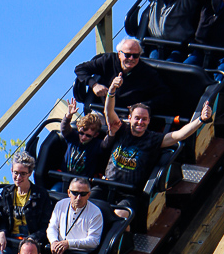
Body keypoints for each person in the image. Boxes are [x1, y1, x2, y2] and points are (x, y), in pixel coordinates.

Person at [99, 81, 214, 218]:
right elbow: (109, 111)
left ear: (148, 121)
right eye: (137, 118)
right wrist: (111, 91)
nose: (140, 122)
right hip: (105, 185)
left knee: (120, 216)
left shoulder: (153, 139)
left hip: (129, 192)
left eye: (144, 119)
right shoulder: (121, 129)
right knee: (90, 207)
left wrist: (201, 119)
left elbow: (179, 135)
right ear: (130, 118)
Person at [73, 37, 171, 114]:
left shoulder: (147, 72)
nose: (131, 58)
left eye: (135, 56)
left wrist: (143, 105)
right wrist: (94, 84)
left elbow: (164, 95)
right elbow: (80, 69)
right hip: (101, 111)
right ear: (119, 54)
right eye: (128, 55)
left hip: (128, 117)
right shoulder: (108, 60)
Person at [0, 152, 52, 254]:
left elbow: (46, 225)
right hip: (11, 242)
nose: (18, 177)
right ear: (11, 171)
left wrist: (33, 238)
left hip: (32, 245)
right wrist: (1, 232)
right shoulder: (7, 193)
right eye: (16, 172)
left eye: (23, 174)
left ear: (29, 173)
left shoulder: (40, 195)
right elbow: (2, 218)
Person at [51, 100, 105, 190]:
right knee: (55, 191)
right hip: (65, 179)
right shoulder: (73, 137)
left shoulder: (96, 144)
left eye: (88, 135)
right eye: (81, 133)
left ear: (95, 135)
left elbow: (106, 144)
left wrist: (111, 132)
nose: (83, 137)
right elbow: (64, 129)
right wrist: (68, 116)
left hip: (83, 184)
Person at [47, 178, 104, 254]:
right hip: (57, 250)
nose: (78, 197)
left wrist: (68, 243)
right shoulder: (60, 204)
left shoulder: (95, 212)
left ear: (88, 195)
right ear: (69, 193)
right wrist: (54, 241)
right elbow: (52, 227)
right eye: (75, 193)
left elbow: (94, 241)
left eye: (83, 194)